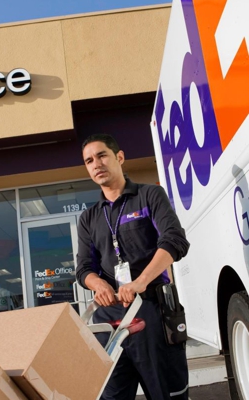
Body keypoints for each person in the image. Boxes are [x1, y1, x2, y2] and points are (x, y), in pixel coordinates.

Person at [76, 133, 190, 400]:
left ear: (120, 157)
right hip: (110, 322)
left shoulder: (149, 195)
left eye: (102, 155)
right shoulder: (89, 218)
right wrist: (98, 283)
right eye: (89, 160)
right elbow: (83, 268)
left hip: (152, 310)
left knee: (168, 395)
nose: (96, 164)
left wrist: (141, 281)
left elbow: (175, 240)